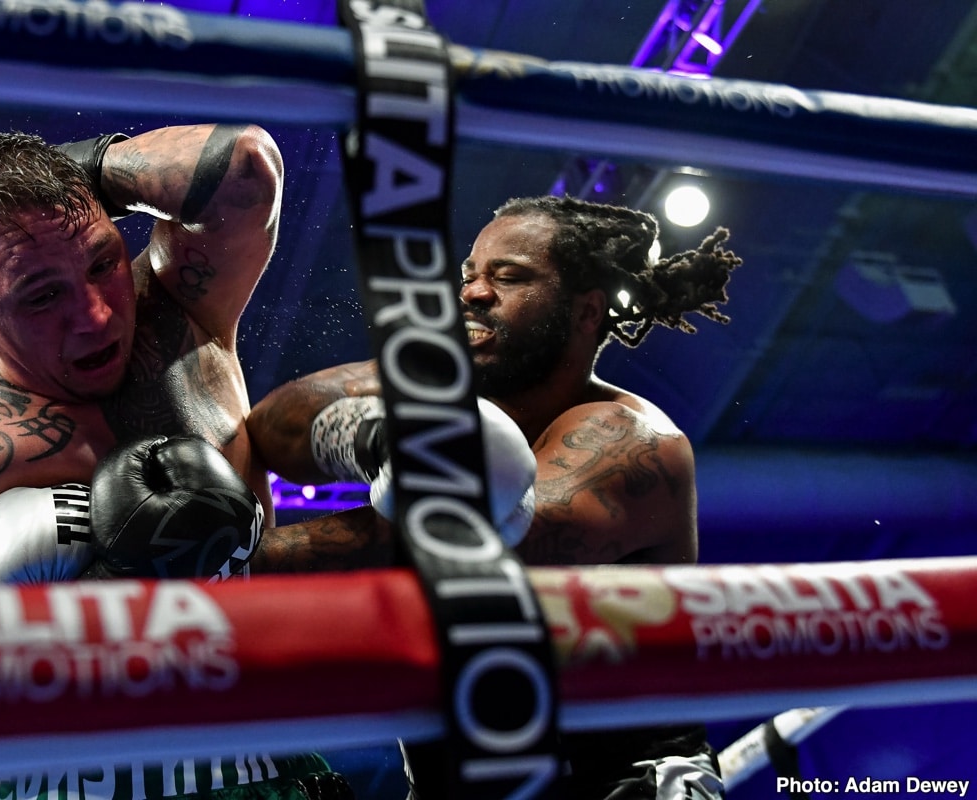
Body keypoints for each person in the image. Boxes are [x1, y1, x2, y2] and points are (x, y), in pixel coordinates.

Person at [0, 124, 362, 799]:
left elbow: (241, 167)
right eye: (40, 294)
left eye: (100, 263)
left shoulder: (181, 312)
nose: (95, 316)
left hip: (248, 758)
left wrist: (61, 172)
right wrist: (94, 591)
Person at [246, 194, 743, 800]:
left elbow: (473, 545)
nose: (473, 295)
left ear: (587, 311)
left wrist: (224, 562)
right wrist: (371, 433)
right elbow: (273, 423)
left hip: (614, 784)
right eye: (469, 276)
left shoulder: (631, 440)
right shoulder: (443, 391)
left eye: (509, 277)